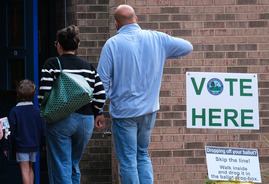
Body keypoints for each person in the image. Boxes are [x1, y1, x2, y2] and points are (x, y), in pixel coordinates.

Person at [97, 4, 193, 184]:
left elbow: (102, 82)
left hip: (124, 113)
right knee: (142, 153)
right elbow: (187, 46)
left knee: (127, 161)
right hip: (149, 111)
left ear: (116, 24)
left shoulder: (112, 44)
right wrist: (163, 54)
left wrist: (99, 110)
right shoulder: (157, 39)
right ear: (136, 19)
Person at [38, 25, 106, 184]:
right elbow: (101, 94)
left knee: (61, 165)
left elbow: (43, 94)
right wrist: (95, 112)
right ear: (78, 45)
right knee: (74, 163)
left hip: (60, 120)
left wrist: (46, 112)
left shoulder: (52, 64)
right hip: (86, 121)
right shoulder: (88, 67)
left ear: (59, 45)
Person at [3, 79, 46, 184]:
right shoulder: (37, 111)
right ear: (34, 94)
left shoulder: (15, 111)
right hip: (34, 145)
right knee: (30, 168)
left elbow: (9, 131)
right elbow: (43, 128)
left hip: (21, 145)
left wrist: (6, 146)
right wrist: (44, 143)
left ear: (18, 94)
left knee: (24, 169)